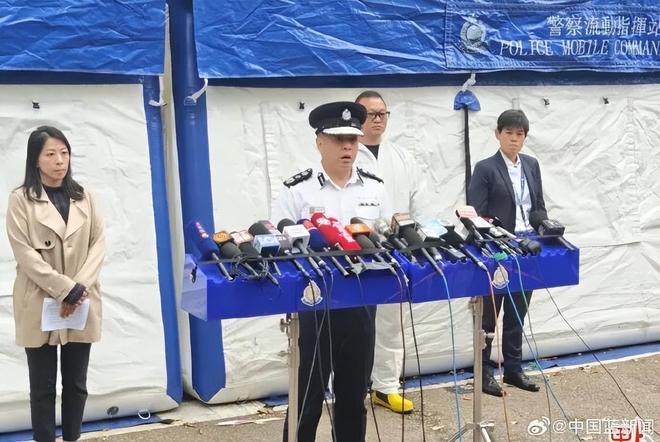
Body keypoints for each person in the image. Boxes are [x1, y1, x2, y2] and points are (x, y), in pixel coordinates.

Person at [272, 101, 392, 441]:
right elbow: (279, 243)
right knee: (306, 397)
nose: (347, 147)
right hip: (313, 303)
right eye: (339, 139)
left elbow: (386, 237)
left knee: (353, 396)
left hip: (361, 303)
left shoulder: (375, 187)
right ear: (319, 142)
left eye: (352, 139)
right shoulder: (297, 189)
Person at [6, 126, 105, 442]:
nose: (59, 160)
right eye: (50, 154)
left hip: (81, 298)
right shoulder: (20, 200)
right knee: (43, 386)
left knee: (76, 383)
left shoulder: (85, 197)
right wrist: (66, 289)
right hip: (39, 298)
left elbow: (98, 244)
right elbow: (24, 253)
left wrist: (79, 288)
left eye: (64, 153)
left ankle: (73, 437)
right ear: (35, 159)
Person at [355, 90, 429, 414]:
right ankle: (349, 385)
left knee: (390, 321)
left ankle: (385, 387)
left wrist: (417, 233)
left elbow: (419, 199)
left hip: (394, 250)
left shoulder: (401, 157)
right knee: (352, 322)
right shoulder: (347, 153)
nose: (378, 120)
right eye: (371, 114)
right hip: (355, 251)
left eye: (383, 114)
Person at [467, 109, 545, 396]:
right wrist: (498, 236)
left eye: (519, 134)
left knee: (518, 311)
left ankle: (513, 369)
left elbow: (538, 205)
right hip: (499, 247)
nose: (514, 138)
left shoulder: (531, 165)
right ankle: (484, 373)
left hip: (527, 245)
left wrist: (546, 226)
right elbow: (477, 213)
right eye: (508, 132)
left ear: (525, 137)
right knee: (489, 314)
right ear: (497, 134)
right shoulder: (485, 168)